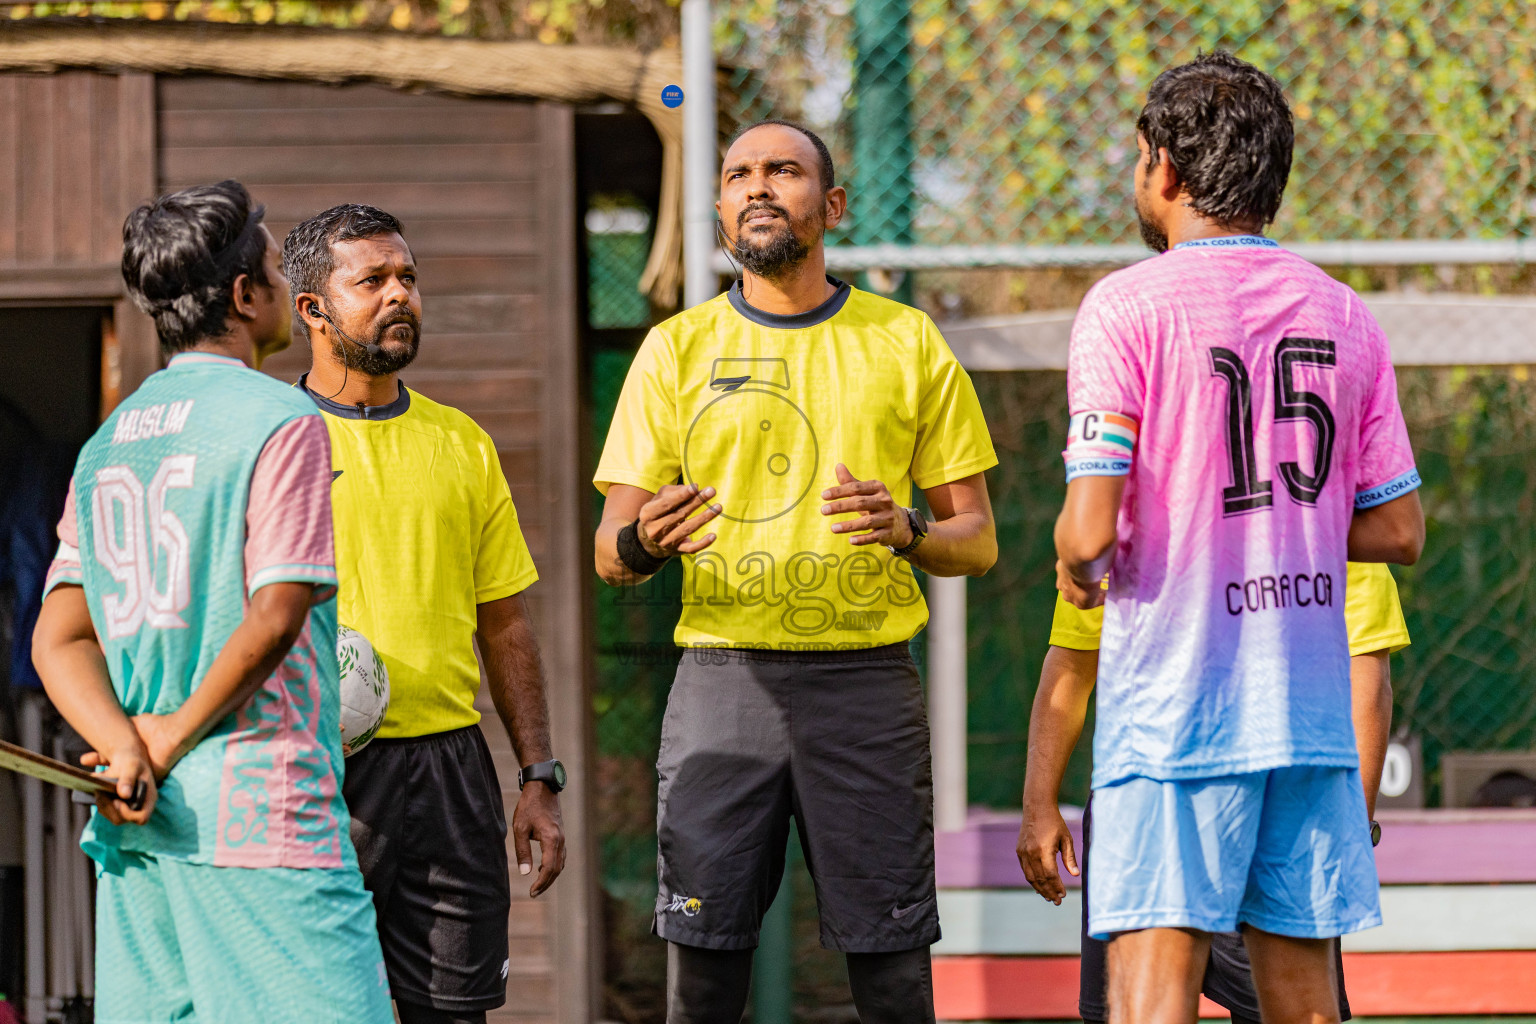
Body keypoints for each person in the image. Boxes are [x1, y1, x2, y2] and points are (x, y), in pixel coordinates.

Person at [593, 118, 999, 1023]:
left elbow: (976, 538)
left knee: (892, 976)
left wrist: (905, 528)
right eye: (739, 175)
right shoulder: (675, 351)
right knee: (702, 979)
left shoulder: (906, 342)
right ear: (720, 208)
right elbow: (608, 552)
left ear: (834, 205)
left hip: (864, 688)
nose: (758, 187)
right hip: (720, 680)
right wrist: (646, 543)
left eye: (784, 170)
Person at [1052, 52, 1425, 1023]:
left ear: (1165, 169)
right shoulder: (1347, 314)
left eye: (1139, 159)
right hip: (1306, 713)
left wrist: (1076, 551)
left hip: (1179, 710)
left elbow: (1090, 525)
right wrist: (1282, 524)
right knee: (1302, 1000)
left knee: (1152, 993)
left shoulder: (1125, 306)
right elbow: (1399, 525)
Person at [30, 180, 391, 1023]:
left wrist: (125, 745)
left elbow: (59, 638)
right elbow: (276, 614)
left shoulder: (108, 438)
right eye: (270, 269)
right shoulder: (282, 420)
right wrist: (171, 734)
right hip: (264, 815)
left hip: (140, 828)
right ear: (244, 296)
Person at [282, 204, 565, 1024]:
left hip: (449, 771)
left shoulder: (463, 443)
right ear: (312, 309)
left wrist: (539, 775)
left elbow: (505, 625)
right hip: (319, 774)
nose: (399, 294)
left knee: (456, 1013)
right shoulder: (272, 438)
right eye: (371, 280)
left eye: (407, 277)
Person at [1020, 561, 1411, 1023]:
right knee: (1138, 1009)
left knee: (1280, 1009)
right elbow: (1072, 656)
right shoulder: (1126, 506)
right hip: (1146, 804)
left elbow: (1363, 663)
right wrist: (1037, 803)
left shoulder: (1317, 502)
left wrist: (1351, 824)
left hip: (1267, 804)